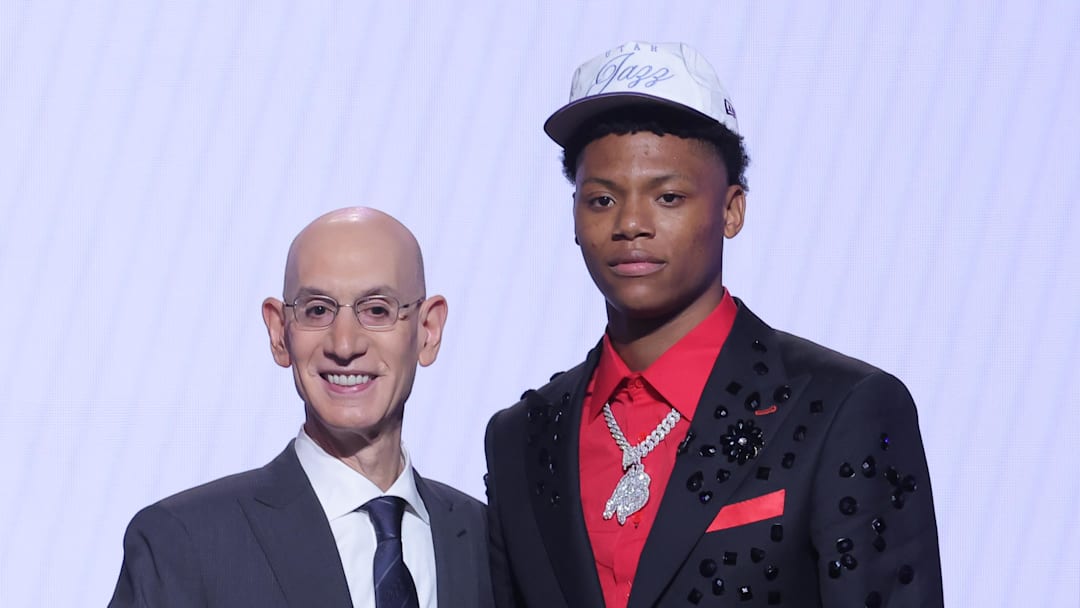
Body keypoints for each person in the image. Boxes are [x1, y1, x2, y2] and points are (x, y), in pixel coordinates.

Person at [484, 41, 943, 608]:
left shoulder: (840, 407)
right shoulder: (521, 437)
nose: (630, 223)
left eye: (668, 196)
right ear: (574, 216)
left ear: (731, 210)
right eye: (601, 200)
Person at [111, 207, 494, 607]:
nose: (344, 345)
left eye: (377, 309)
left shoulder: (485, 540)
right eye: (317, 310)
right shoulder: (185, 543)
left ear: (428, 331)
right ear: (279, 333)